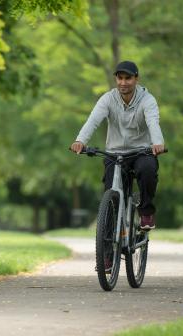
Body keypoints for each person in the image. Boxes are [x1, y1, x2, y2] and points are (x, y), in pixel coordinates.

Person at [70, 61, 165, 230]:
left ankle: (146, 212)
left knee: (148, 169)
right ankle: (107, 249)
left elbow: (153, 122)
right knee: (110, 193)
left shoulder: (147, 100)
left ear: (136, 79)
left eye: (128, 78)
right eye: (119, 78)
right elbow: (93, 120)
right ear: (115, 79)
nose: (123, 82)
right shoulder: (108, 99)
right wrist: (80, 141)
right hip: (114, 153)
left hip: (141, 152)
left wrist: (157, 142)